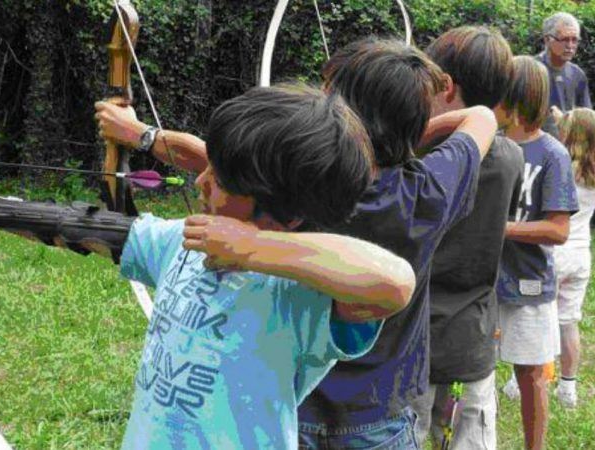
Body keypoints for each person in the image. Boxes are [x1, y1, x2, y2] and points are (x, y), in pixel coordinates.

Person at [0, 85, 418, 449]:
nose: (202, 184)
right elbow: (81, 226)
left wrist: (251, 249)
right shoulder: (181, 243)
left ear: (284, 206)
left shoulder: (303, 295)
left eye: (221, 180)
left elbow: (394, 282)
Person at [97, 38, 499, 449]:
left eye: (329, 93)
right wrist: (408, 132)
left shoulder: (305, 189)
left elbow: (216, 162)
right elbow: (483, 118)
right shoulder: (430, 190)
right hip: (377, 412)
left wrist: (141, 135)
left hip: (293, 403)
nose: (320, 99)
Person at [412, 26, 524, 450]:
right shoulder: (510, 154)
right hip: (472, 339)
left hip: (415, 339)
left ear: (446, 87)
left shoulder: (421, 156)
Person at [496, 56, 579, 450]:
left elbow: (558, 229)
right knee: (469, 371)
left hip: (527, 283)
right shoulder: (488, 144)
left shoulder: (552, 154)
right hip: (478, 281)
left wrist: (499, 229)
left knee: (530, 376)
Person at [551, 108, 595, 408]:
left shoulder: (562, 166)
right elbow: (590, 136)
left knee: (541, 320)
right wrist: (569, 118)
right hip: (580, 254)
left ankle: (519, 380)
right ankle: (568, 389)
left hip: (554, 251)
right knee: (568, 322)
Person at [536, 12, 592, 135]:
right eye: (565, 39)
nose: (570, 46)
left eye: (575, 40)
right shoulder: (531, 70)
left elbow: (587, 120)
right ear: (547, 39)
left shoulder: (577, 75)